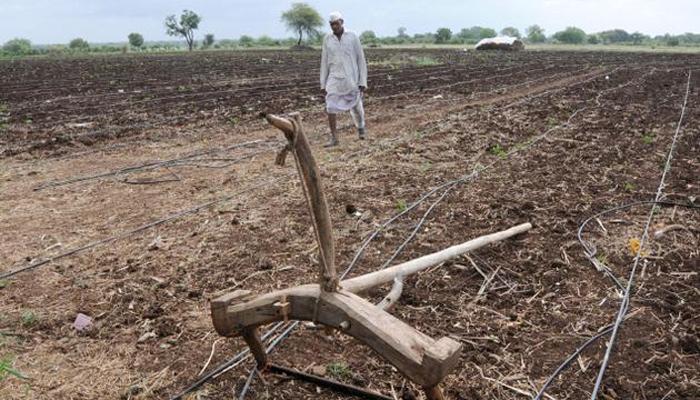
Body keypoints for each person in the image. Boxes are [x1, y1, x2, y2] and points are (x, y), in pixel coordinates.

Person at [320, 11, 368, 147]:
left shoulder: (352, 37)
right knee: (330, 106)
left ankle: (361, 128)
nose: (334, 26)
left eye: (336, 23)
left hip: (351, 79)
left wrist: (362, 81)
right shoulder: (327, 39)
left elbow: (361, 59)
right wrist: (323, 84)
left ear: (342, 22)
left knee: (356, 107)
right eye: (331, 24)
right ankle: (334, 138)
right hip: (334, 79)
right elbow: (324, 62)